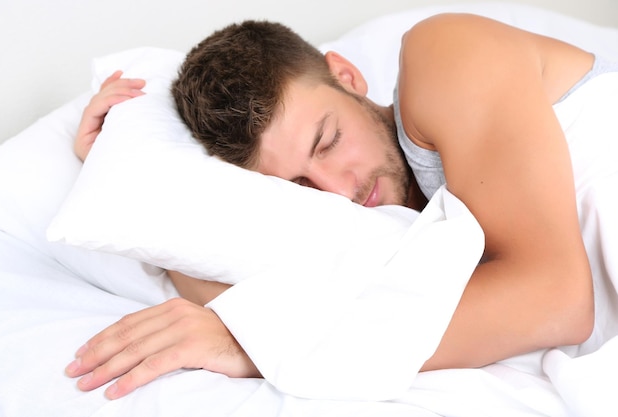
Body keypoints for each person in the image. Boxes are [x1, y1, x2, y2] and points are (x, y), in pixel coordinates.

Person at [67, 13, 618, 400]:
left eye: (328, 141)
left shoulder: (444, 54)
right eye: (300, 186)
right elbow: (273, 291)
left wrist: (258, 342)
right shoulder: (390, 229)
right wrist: (120, 176)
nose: (337, 189)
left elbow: (557, 299)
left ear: (348, 77)